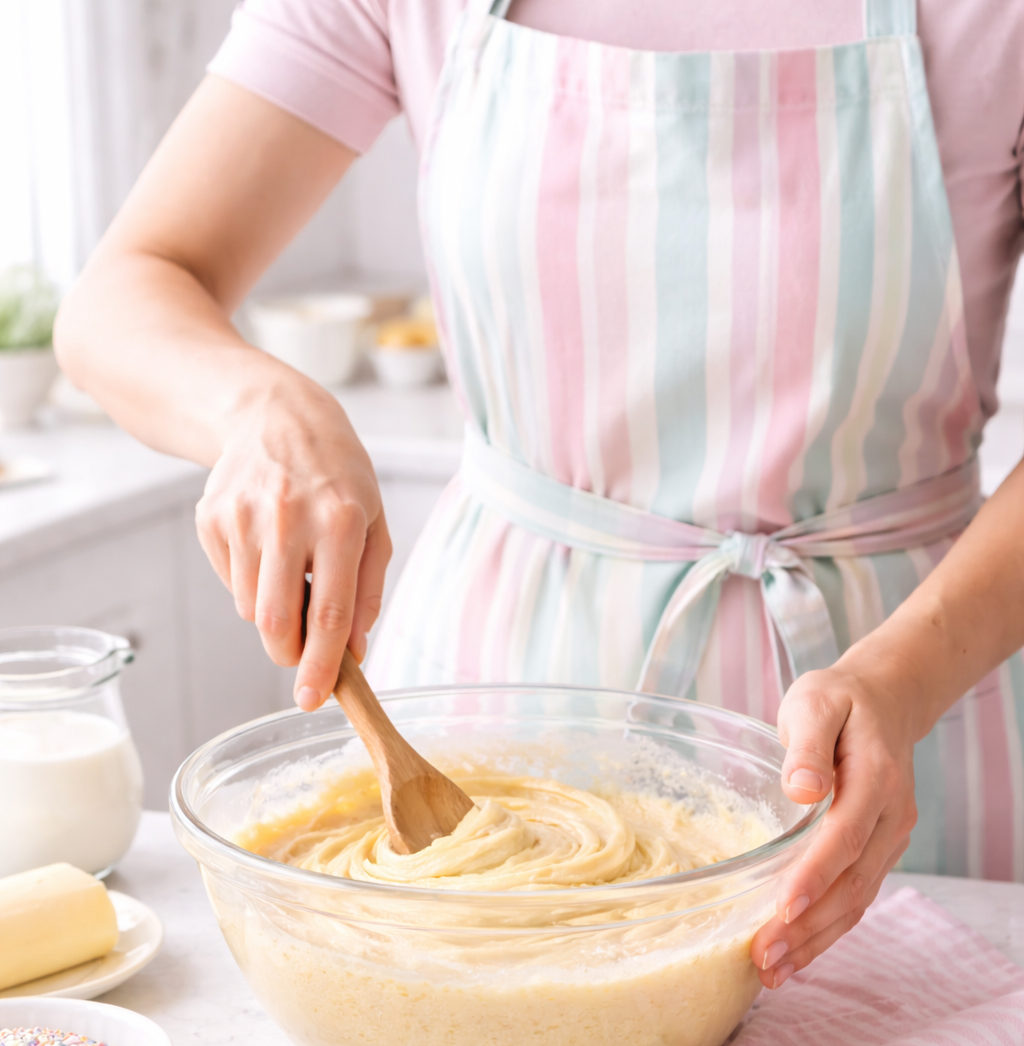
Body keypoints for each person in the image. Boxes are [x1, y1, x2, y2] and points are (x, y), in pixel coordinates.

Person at [55, 0, 1024, 992]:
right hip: (486, 696)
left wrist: (905, 680)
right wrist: (259, 408)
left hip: (909, 714)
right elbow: (124, 291)